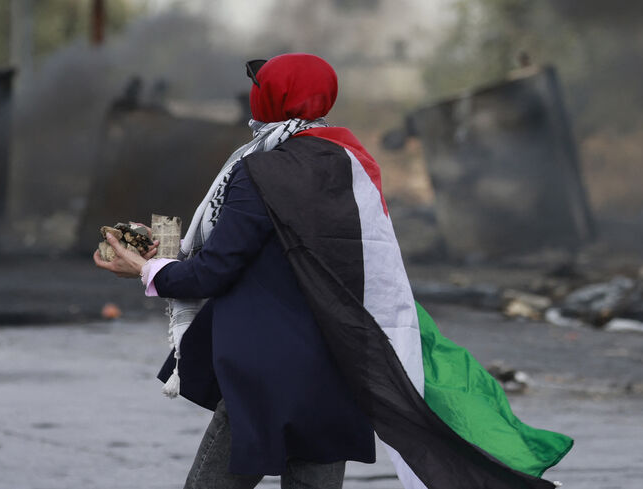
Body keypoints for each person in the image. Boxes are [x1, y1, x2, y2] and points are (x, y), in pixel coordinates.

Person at [95, 53, 572, 489]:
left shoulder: (259, 171)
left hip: (267, 367)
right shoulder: (351, 164)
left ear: (273, 98)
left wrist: (147, 267)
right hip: (338, 362)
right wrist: (159, 261)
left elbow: (215, 271)